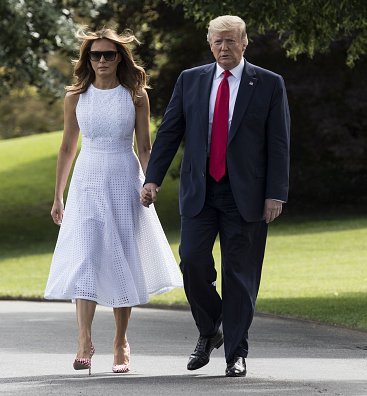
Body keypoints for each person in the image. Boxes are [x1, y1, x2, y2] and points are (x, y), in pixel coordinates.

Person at [141, 15, 290, 377]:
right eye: (218, 42)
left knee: (239, 275)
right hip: (200, 191)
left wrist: (275, 194)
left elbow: (279, 142)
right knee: (192, 261)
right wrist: (152, 178)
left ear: (244, 43)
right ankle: (210, 330)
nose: (224, 48)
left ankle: (236, 352)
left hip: (248, 195)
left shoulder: (268, 83)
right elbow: (170, 130)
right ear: (210, 44)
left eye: (231, 41)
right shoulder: (191, 80)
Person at [44, 27, 183, 375]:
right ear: (87, 59)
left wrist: (150, 183)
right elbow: (66, 147)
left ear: (120, 57)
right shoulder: (76, 96)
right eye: (96, 55)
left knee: (122, 255)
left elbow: (146, 146)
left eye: (109, 54)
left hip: (124, 178)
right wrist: (58, 195)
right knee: (85, 257)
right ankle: (83, 340)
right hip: (87, 180)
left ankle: (121, 340)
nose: (102, 60)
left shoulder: (135, 95)